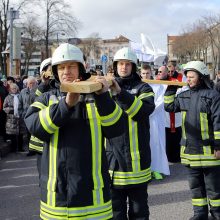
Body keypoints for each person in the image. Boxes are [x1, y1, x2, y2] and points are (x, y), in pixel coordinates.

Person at [24, 43, 124, 219]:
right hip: (58, 199)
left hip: (94, 198)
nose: (66, 71)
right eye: (61, 67)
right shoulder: (47, 98)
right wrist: (66, 104)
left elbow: (117, 128)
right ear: (55, 72)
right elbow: (34, 126)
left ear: (80, 69)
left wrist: (104, 97)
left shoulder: (97, 97)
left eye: (71, 66)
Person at [164, 61, 220, 220]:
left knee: (214, 188)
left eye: (191, 76)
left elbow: (218, 122)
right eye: (187, 76)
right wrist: (170, 89)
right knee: (196, 188)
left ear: (201, 77)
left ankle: (217, 214)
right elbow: (169, 107)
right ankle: (200, 214)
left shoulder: (213, 96)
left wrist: (218, 146)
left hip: (210, 152)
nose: (188, 79)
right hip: (190, 153)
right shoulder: (184, 95)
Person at [106, 47, 155, 219]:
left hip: (137, 160)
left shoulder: (144, 88)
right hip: (114, 161)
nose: (124, 67)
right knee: (115, 212)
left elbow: (142, 111)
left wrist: (120, 92)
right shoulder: (105, 90)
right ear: (115, 65)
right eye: (120, 64)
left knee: (139, 211)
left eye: (127, 64)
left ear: (133, 67)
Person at [141, 65, 170, 180]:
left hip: (156, 119)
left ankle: (158, 169)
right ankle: (147, 169)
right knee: (145, 144)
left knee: (157, 144)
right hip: (143, 119)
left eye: (147, 73)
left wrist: (148, 111)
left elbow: (160, 101)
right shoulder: (139, 86)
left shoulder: (158, 86)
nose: (145, 75)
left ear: (151, 73)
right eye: (143, 73)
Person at [165, 61, 184, 162]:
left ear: (175, 67)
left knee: (177, 135)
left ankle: (177, 156)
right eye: (168, 68)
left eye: (171, 68)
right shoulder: (165, 77)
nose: (170, 71)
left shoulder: (181, 76)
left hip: (176, 110)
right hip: (167, 111)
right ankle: (169, 156)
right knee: (168, 136)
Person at [3, 83, 25, 152]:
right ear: (10, 89)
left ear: (17, 89)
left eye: (15, 88)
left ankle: (20, 148)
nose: (14, 90)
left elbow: (24, 105)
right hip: (11, 118)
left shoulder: (20, 96)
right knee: (13, 135)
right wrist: (12, 110)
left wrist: (21, 111)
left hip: (20, 118)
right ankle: (13, 149)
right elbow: (4, 107)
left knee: (20, 134)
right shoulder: (8, 97)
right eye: (13, 88)